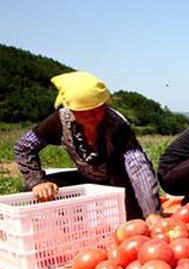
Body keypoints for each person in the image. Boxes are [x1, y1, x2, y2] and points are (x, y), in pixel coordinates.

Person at [14, 71, 161, 220]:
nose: (92, 116)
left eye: (98, 109)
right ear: (71, 110)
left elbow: (138, 167)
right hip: (87, 180)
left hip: (119, 184)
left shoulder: (117, 125)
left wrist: (151, 213)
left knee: (132, 217)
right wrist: (37, 181)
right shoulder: (60, 121)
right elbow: (24, 147)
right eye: (84, 112)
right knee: (36, 190)